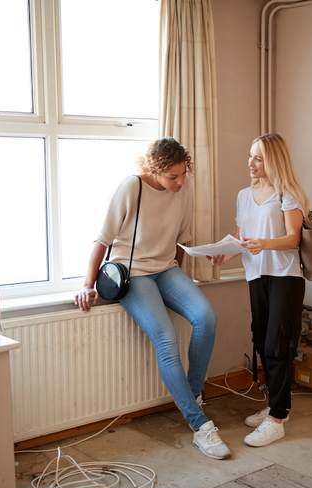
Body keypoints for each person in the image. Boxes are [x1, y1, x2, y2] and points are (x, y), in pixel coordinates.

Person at [74, 137, 231, 460]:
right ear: (154, 171)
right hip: (134, 275)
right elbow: (102, 239)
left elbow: (180, 241)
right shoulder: (132, 188)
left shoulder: (183, 190)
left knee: (206, 317)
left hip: (166, 269)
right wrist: (87, 284)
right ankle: (200, 424)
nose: (180, 182)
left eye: (183, 174)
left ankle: (192, 392)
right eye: (172, 177)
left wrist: (184, 276)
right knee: (166, 338)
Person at [211, 133, 308, 447]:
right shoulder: (243, 195)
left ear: (274, 161)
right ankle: (276, 406)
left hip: (284, 276)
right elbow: (244, 239)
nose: (250, 163)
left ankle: (278, 418)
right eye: (250, 156)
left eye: (258, 158)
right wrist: (225, 252)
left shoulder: (287, 193)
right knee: (262, 342)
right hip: (257, 276)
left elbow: (293, 238)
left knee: (278, 345)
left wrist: (263, 244)